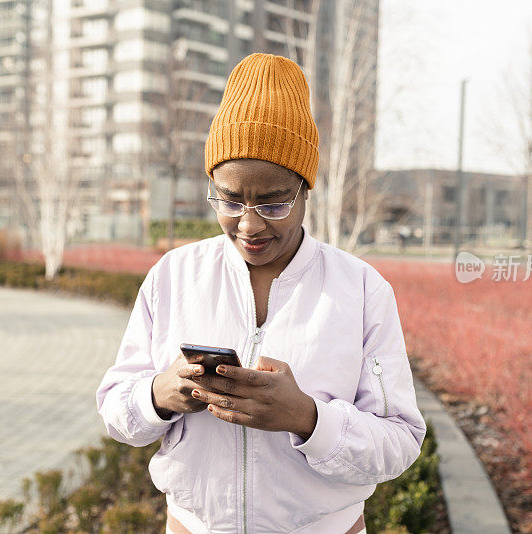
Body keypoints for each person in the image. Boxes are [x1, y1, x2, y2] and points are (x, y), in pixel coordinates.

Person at [96, 53, 427, 534]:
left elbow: (400, 442)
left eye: (273, 202)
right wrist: (159, 394)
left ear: (305, 189)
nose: (249, 225)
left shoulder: (360, 289)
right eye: (229, 199)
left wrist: (308, 419)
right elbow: (114, 408)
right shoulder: (173, 275)